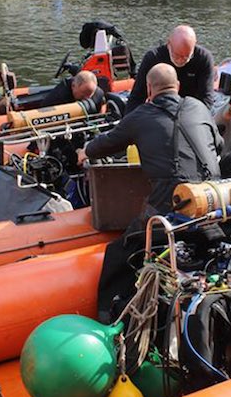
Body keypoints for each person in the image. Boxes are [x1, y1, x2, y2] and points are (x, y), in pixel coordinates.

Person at [77, 63, 222, 320]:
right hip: (214, 205)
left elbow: (104, 145)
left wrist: (84, 150)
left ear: (148, 88)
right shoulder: (199, 107)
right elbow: (218, 144)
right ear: (177, 86)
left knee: (118, 252)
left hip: (172, 212)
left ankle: (108, 316)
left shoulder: (141, 115)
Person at [124, 24, 215, 115]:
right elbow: (137, 97)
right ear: (169, 44)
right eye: (177, 56)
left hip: (191, 110)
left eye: (186, 57)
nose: (180, 61)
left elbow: (206, 100)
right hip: (160, 110)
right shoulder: (153, 58)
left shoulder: (203, 59)